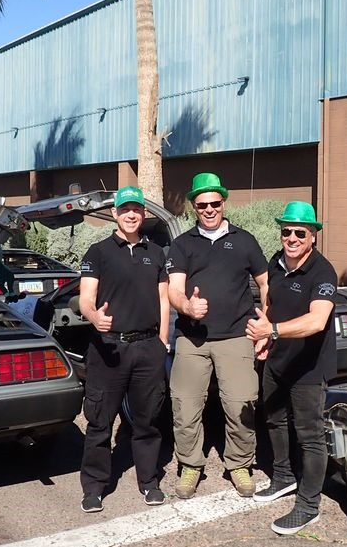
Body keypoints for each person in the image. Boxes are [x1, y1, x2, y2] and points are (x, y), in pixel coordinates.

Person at [167, 172, 269, 499]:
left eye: (214, 203)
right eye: (202, 205)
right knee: (185, 406)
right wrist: (187, 306)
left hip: (237, 336)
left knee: (241, 403)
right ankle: (190, 465)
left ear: (223, 202)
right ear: (193, 207)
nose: (209, 209)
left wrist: (266, 322)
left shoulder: (245, 240)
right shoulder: (182, 244)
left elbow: (266, 283)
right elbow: (174, 289)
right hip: (192, 339)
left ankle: (239, 464)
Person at [77, 185, 171, 513]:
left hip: (147, 348)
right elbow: (85, 299)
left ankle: (149, 482)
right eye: (125, 209)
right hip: (108, 349)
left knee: (147, 421)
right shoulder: (98, 252)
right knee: (100, 422)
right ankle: (94, 487)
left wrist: (162, 341)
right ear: (114, 213)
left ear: (143, 213)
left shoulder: (156, 253)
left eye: (137, 209)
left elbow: (163, 299)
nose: (131, 215)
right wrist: (94, 317)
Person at [246, 201, 337, 535]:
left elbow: (317, 320)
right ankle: (283, 477)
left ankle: (308, 505)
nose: (292, 238)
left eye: (300, 232)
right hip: (278, 360)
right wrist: (265, 335)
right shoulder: (276, 261)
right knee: (274, 419)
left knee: (310, 437)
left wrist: (271, 331)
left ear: (313, 236)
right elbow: (270, 303)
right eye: (287, 231)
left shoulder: (323, 272)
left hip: (309, 368)